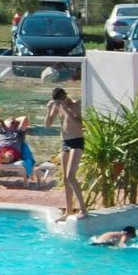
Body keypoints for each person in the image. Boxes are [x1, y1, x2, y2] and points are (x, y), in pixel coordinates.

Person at [46, 88, 85, 219]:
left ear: (65, 97)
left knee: (71, 176)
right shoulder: (57, 106)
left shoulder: (75, 104)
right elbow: (47, 125)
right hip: (65, 142)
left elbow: (79, 125)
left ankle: (83, 210)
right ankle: (68, 211)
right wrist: (49, 110)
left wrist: (66, 109)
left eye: (61, 100)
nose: (59, 103)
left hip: (77, 141)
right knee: (65, 179)